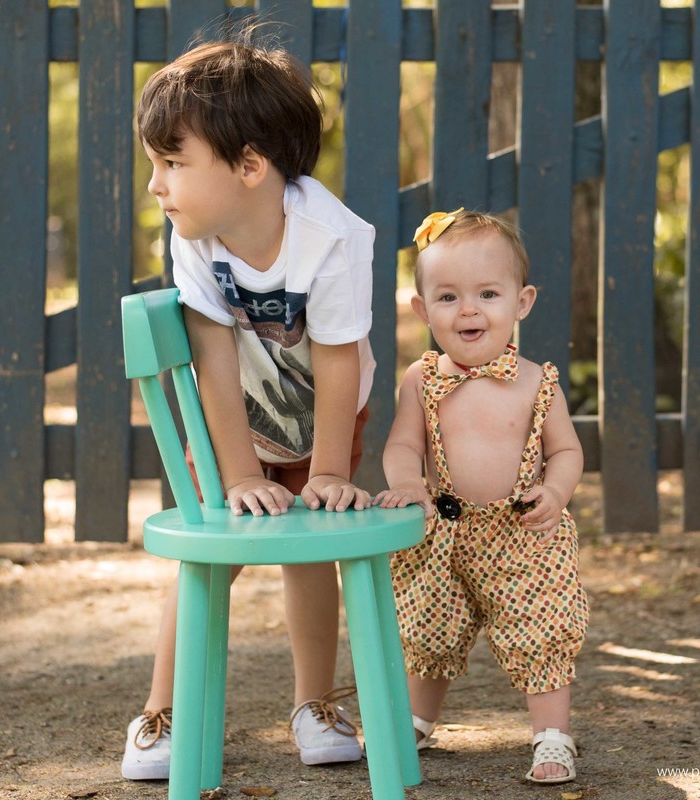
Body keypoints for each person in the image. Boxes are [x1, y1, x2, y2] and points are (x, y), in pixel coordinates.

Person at [121, 32, 377, 781]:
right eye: (154, 164)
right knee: (212, 559)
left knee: (313, 549)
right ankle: (162, 713)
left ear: (250, 165)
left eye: (173, 163)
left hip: (322, 415)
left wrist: (327, 471)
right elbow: (213, 355)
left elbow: (338, 359)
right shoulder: (195, 238)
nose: (156, 186)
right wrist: (237, 474)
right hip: (234, 419)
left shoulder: (330, 239)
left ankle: (314, 704)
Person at [374, 209, 590, 784]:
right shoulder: (421, 379)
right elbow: (403, 444)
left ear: (522, 302)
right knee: (428, 627)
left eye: (488, 294)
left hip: (523, 536)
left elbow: (567, 451)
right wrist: (408, 484)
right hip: (443, 534)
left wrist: (555, 491)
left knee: (540, 629)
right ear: (423, 311)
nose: (468, 310)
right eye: (448, 297)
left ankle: (552, 736)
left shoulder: (537, 381)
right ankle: (415, 722)